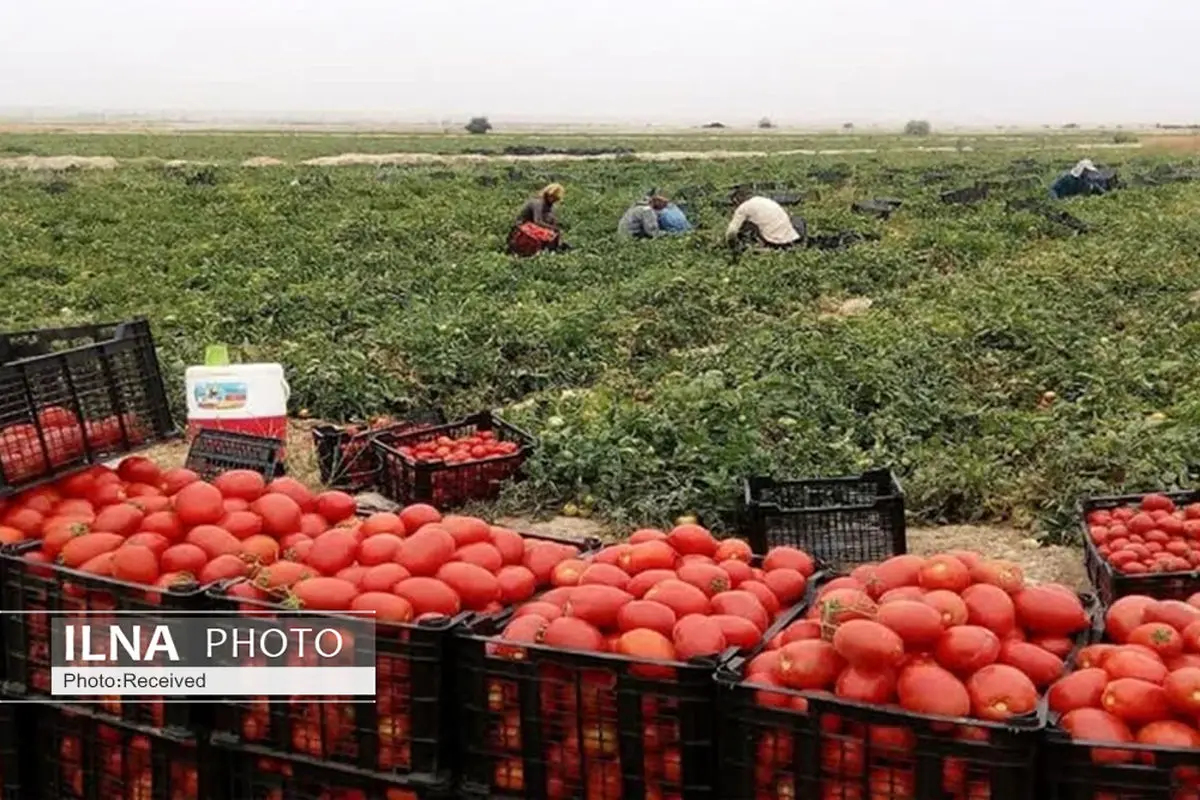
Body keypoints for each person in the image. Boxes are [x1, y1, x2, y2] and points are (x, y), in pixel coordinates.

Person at [725, 188, 804, 249]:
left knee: (744, 226)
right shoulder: (761, 199)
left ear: (736, 201)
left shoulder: (743, 208)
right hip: (791, 237)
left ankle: (760, 244)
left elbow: (731, 232)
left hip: (774, 241)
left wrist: (732, 245)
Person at [508, 183, 567, 256]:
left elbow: (552, 221)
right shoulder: (537, 202)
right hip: (522, 229)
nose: (553, 200)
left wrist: (556, 230)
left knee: (554, 233)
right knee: (549, 233)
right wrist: (553, 228)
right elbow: (538, 221)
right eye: (552, 197)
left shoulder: (551, 207)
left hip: (533, 228)